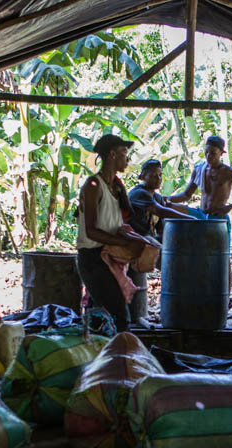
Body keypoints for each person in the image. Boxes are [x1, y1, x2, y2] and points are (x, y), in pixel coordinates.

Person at [77, 133, 148, 332]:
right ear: (112, 154)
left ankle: (101, 358)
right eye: (125, 153)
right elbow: (91, 231)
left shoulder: (115, 187)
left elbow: (115, 223)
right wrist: (125, 243)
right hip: (93, 258)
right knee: (120, 317)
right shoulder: (93, 186)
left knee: (100, 318)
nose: (127, 159)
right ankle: (119, 358)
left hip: (107, 254)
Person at [166, 135, 232, 237]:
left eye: (213, 153)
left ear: (221, 153)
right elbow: (186, 195)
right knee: (168, 207)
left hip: (217, 217)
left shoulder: (228, 172)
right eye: (206, 152)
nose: (208, 155)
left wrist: (230, 207)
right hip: (200, 214)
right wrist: (165, 199)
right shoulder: (199, 169)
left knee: (220, 252)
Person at [127, 159, 195, 240]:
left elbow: (161, 230)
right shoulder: (139, 193)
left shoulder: (158, 198)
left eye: (160, 175)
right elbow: (161, 211)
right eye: (153, 175)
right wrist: (191, 219)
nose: (158, 178)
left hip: (149, 238)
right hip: (134, 236)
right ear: (142, 177)